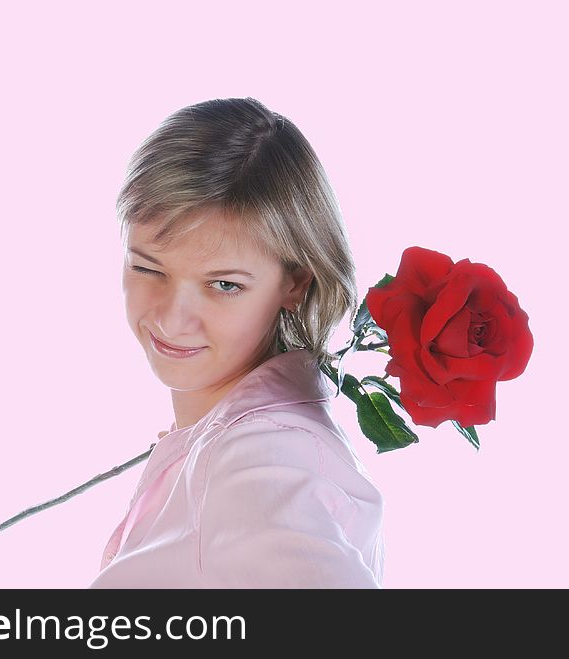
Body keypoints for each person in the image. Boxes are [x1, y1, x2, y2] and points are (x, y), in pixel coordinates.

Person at [88, 97, 385, 588]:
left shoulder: (261, 458)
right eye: (148, 268)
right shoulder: (231, 443)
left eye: (224, 284)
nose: (172, 319)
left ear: (295, 282)